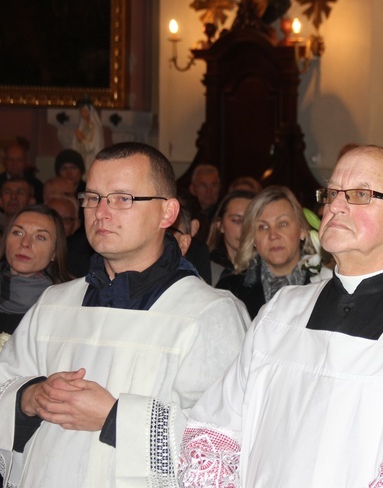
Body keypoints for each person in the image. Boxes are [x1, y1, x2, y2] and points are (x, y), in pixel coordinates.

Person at [179, 145, 383, 487]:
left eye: (360, 194)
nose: (335, 205)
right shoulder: (283, 311)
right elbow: (214, 436)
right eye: (332, 193)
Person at [0, 142, 249, 487]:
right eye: (92, 198)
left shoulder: (209, 314)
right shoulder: (53, 304)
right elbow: (5, 380)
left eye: (122, 199)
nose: (101, 212)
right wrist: (28, 397)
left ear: (167, 213)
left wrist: (114, 417)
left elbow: (226, 445)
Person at [216, 185, 314, 317]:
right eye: (263, 227)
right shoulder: (230, 289)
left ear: (301, 230)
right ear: (253, 239)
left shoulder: (325, 283)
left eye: (282, 224)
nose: (273, 235)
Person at [0, 204, 72, 335]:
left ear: (54, 252)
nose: (25, 243)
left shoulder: (68, 304)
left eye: (40, 237)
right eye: (18, 232)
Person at [206, 190, 255, 286]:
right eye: (237, 221)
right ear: (220, 225)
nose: (245, 228)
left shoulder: (267, 269)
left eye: (251, 220)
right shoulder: (207, 269)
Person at [1, 141, 44, 206]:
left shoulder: (36, 185)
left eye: (19, 160)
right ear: (4, 162)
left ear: (26, 162)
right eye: (11, 159)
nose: (15, 164)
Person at [72, 101, 105, 169]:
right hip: (83, 158)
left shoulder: (95, 129)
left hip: (90, 159)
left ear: (90, 113)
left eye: (85, 112)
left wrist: (81, 139)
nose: (83, 114)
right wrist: (78, 140)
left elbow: (91, 146)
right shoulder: (83, 126)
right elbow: (76, 145)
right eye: (82, 112)